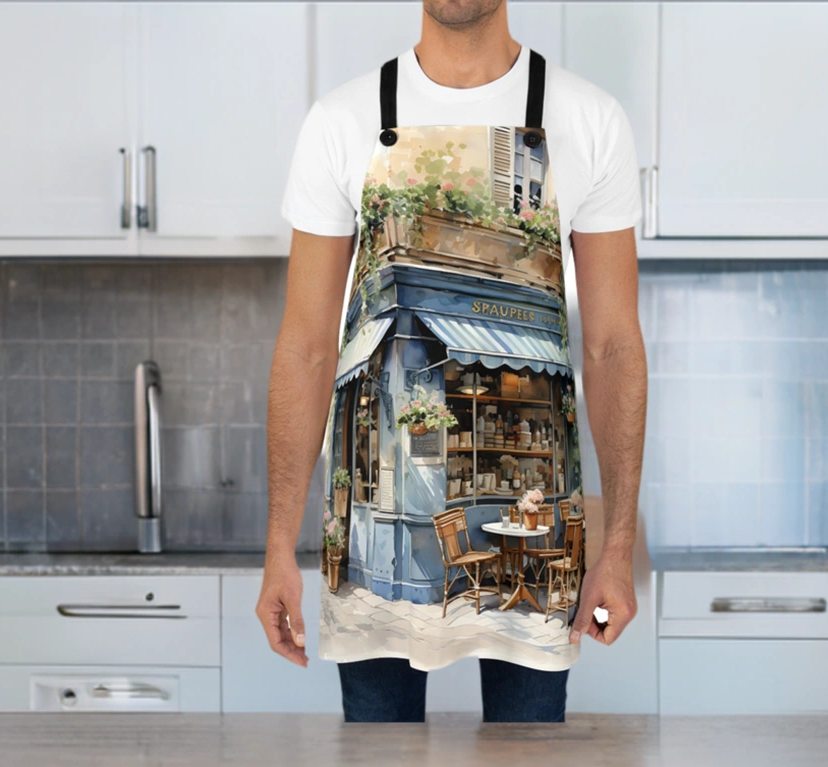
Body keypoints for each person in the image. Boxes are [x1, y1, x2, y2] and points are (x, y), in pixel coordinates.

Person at [257, 0, 647, 723]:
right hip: (369, 585)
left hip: (536, 565)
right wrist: (280, 542)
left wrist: (616, 545)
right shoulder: (340, 121)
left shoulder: (590, 120)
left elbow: (613, 344)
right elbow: (308, 345)